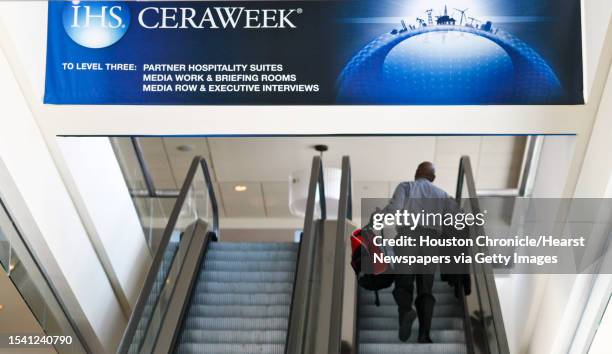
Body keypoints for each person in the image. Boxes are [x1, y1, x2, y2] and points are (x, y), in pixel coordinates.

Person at [378, 161, 460, 343]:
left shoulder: (406, 186)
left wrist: (379, 216)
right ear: (433, 178)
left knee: (403, 283)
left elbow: (394, 209)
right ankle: (424, 335)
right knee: (425, 290)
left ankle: (406, 310)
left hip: (408, 236)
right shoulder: (443, 195)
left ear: (417, 173)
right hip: (430, 242)